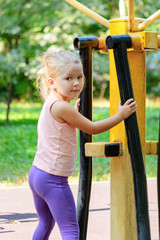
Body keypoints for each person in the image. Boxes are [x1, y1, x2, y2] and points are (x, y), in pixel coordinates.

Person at [28, 50, 137, 240]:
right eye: (68, 78)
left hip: (37, 174)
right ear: (52, 82)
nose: (76, 83)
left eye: (79, 76)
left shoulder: (53, 103)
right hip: (53, 179)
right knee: (71, 230)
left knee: (45, 224)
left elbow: (63, 125)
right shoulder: (62, 107)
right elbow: (93, 129)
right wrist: (121, 115)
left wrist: (75, 112)